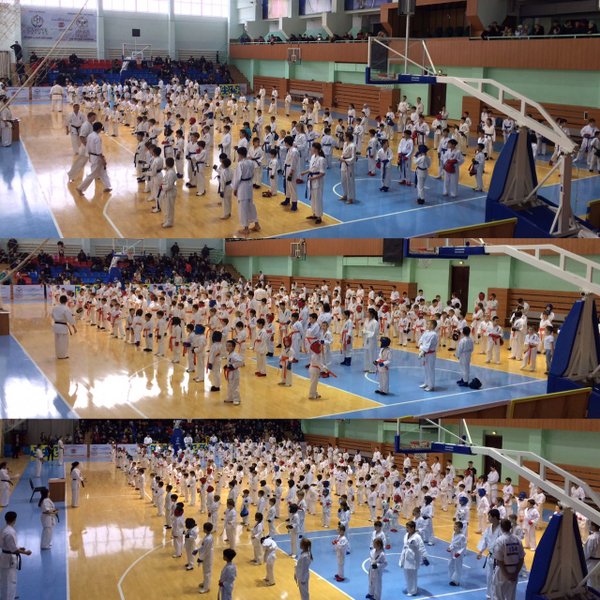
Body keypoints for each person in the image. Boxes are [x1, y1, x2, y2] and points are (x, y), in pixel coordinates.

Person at [0, 512, 32, 600]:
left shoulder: (4, 529)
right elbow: (13, 549)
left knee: (8, 580)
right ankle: (7, 598)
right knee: (9, 581)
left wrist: (19, 547)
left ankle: (10, 596)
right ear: (14, 519)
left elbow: (10, 545)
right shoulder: (10, 532)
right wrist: (26, 552)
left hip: (6, 556)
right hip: (8, 559)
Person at [492, 518, 525, 600]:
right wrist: (516, 573)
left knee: (498, 596)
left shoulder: (500, 540)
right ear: (511, 527)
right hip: (514, 569)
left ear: (501, 527)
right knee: (511, 597)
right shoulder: (517, 540)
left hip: (502, 571)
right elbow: (521, 559)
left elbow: (499, 560)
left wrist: (506, 574)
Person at [77, 122, 112, 195]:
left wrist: (89, 156)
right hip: (97, 158)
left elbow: (87, 147)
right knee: (93, 174)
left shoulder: (90, 136)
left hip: (92, 156)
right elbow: (99, 151)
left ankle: (107, 186)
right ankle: (80, 188)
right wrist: (103, 160)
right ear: (99, 129)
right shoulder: (97, 138)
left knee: (103, 171)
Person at [232, 146, 261, 235]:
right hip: (249, 184)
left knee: (243, 207)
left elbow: (237, 178)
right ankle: (257, 224)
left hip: (242, 186)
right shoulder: (251, 162)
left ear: (240, 154)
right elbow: (253, 174)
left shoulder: (240, 164)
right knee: (251, 205)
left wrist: (235, 188)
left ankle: (246, 228)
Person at [399, 520, 429, 597]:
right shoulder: (406, 535)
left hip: (413, 559)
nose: (406, 529)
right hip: (406, 556)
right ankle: (410, 588)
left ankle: (413, 591)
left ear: (412, 528)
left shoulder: (417, 537)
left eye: (408, 527)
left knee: (412, 575)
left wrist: (424, 557)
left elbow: (421, 547)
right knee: (407, 574)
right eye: (406, 527)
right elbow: (405, 545)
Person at [477, 508, 502, 599]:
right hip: (491, 556)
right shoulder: (488, 529)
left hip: (499, 558)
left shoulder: (501, 529)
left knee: (497, 578)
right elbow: (484, 540)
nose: (488, 518)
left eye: (489, 516)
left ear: (495, 517)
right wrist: (481, 551)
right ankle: (489, 595)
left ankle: (496, 596)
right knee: (489, 577)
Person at [302, 142, 327, 224]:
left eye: (312, 148)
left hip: (317, 181)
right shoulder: (313, 157)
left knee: (317, 199)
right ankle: (314, 214)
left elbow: (322, 173)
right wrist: (304, 172)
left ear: (316, 149)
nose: (311, 149)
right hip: (311, 180)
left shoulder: (321, 159)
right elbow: (311, 169)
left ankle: (319, 216)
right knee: (313, 198)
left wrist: (313, 178)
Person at [52, 294, 77, 359]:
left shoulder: (55, 308)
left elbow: (52, 316)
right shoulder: (66, 309)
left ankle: (58, 355)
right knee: (63, 342)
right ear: (66, 301)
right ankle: (62, 355)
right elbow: (70, 319)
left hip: (56, 326)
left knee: (57, 342)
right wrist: (74, 328)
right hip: (62, 327)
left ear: (60, 301)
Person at [419, 320, 439, 392]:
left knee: (430, 369)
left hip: (430, 354)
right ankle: (426, 383)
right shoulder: (426, 332)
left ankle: (431, 386)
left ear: (432, 326)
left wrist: (422, 350)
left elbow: (427, 346)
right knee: (426, 369)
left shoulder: (433, 334)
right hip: (425, 353)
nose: (427, 325)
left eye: (428, 324)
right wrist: (421, 346)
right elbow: (420, 340)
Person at [223, 339, 243, 406]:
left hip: (235, 373)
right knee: (229, 386)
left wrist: (233, 366)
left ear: (233, 347)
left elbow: (241, 362)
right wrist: (227, 366)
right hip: (230, 373)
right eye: (226, 346)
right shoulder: (229, 354)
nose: (227, 347)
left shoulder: (235, 355)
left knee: (235, 387)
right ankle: (230, 398)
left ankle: (236, 399)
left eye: (229, 346)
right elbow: (230, 362)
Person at [447, 520, 467, 586]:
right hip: (452, 551)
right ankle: (452, 577)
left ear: (460, 528)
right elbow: (452, 542)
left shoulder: (462, 536)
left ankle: (456, 581)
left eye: (456, 527)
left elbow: (463, 546)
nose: (454, 528)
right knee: (450, 564)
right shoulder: (454, 533)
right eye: (454, 526)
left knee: (457, 566)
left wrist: (459, 553)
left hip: (458, 553)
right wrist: (449, 547)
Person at [584, 522, 600, 590]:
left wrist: (583, 560)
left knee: (590, 582)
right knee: (598, 582)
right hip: (598, 563)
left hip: (591, 563)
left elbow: (587, 553)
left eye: (590, 525)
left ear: (593, 527)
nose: (589, 526)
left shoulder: (591, 538)